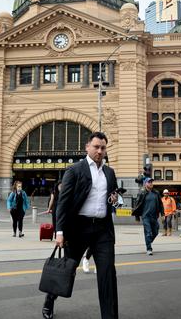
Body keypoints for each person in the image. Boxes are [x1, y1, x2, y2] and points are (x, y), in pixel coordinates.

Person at [43, 132, 120, 319]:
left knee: (107, 274)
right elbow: (63, 203)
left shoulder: (109, 173)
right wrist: (59, 232)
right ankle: (50, 299)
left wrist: (116, 200)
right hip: (78, 228)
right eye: (96, 147)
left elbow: (114, 200)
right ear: (87, 147)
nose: (100, 151)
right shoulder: (75, 170)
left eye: (103, 148)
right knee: (67, 269)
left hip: (102, 230)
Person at [132, 178, 163, 256]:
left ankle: (148, 241)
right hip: (145, 216)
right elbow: (137, 205)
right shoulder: (142, 193)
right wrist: (137, 217)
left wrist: (162, 214)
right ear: (145, 184)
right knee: (148, 232)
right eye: (149, 182)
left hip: (154, 216)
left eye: (151, 182)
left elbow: (160, 204)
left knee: (155, 231)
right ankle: (149, 248)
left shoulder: (156, 193)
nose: (151, 183)